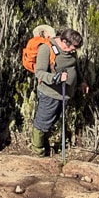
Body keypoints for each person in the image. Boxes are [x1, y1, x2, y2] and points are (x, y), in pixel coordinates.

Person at [31, 28, 83, 157]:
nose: (74, 51)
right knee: (42, 122)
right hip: (50, 94)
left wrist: (82, 81)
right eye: (73, 48)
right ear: (64, 42)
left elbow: (75, 66)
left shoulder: (71, 50)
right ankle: (38, 151)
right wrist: (56, 78)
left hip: (64, 94)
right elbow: (39, 73)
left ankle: (46, 146)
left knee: (52, 121)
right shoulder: (46, 49)